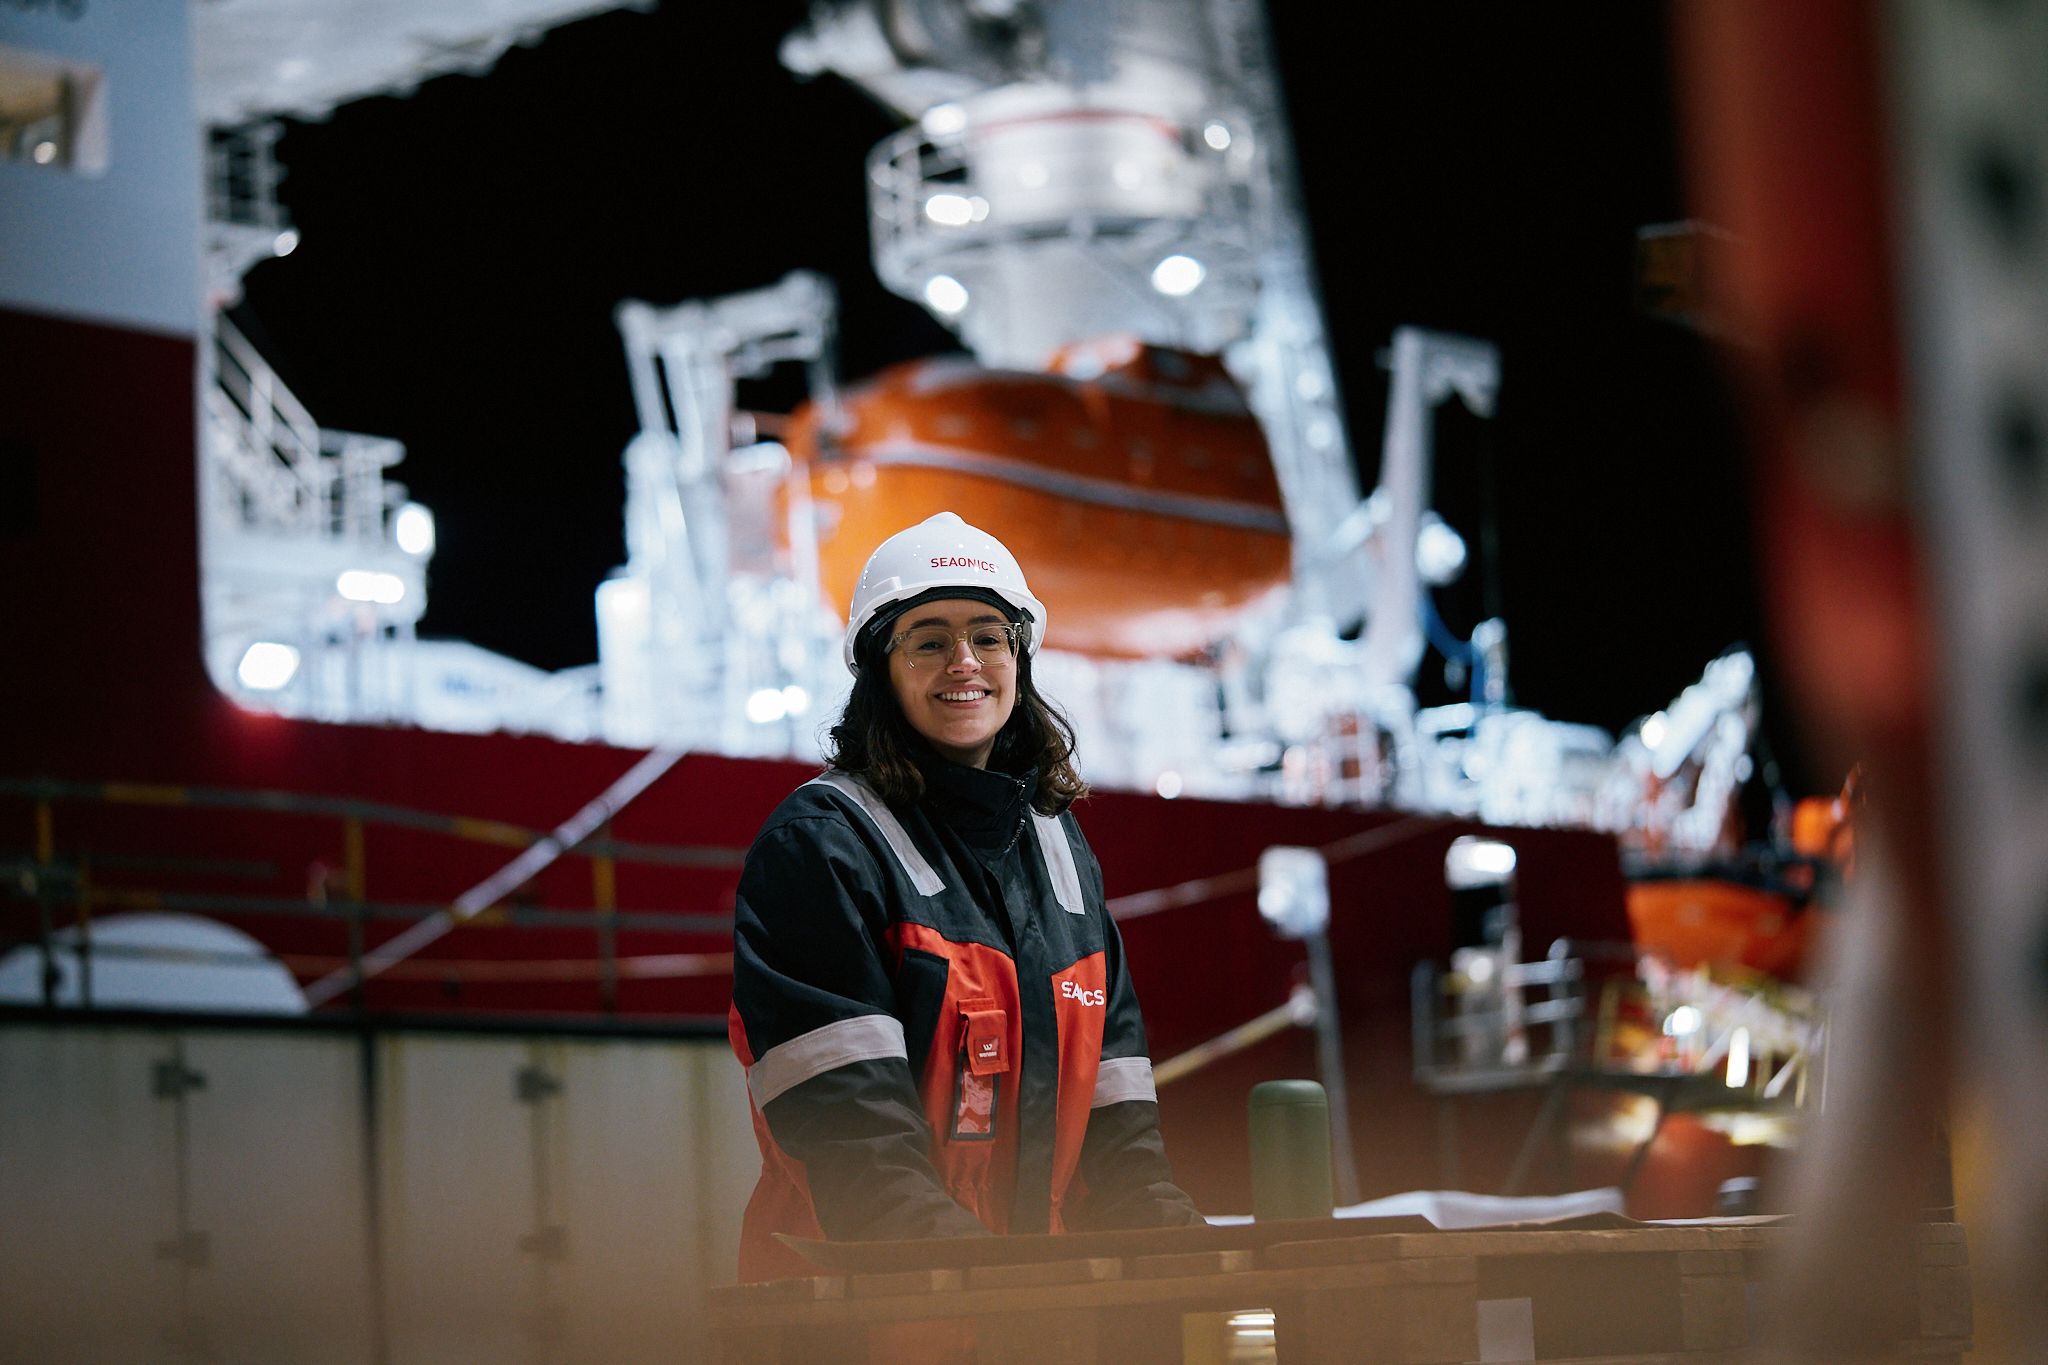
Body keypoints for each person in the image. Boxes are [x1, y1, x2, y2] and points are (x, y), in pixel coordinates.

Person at [728, 510, 1202, 1282]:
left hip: (1023, 1312)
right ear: (880, 669)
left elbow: (1125, 1150)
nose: (964, 662)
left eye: (988, 635)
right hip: (856, 1318)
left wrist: (1201, 1270)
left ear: (1019, 658)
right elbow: (859, 1153)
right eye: (928, 640)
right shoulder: (820, 848)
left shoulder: (1060, 852)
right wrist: (1008, 1307)